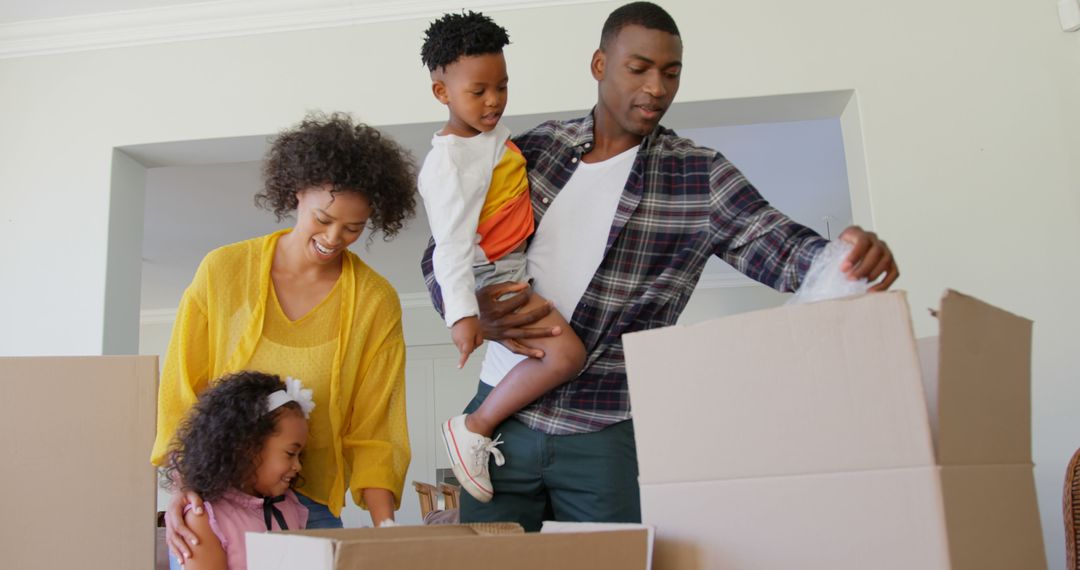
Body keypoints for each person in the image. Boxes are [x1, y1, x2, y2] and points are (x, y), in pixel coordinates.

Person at [421, 1, 899, 532]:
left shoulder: (701, 176)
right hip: (496, 422)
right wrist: (471, 313)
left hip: (603, 431)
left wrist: (842, 257)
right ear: (600, 65)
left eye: (671, 74)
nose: (656, 88)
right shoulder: (533, 150)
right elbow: (445, 247)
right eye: (639, 68)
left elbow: (776, 244)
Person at [152, 112, 416, 565]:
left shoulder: (375, 301)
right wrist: (184, 486)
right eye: (324, 218)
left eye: (353, 228)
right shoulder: (223, 272)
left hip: (310, 509)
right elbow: (182, 393)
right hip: (214, 502)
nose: (335, 238)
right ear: (297, 191)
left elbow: (376, 432)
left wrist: (385, 529)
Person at [417, 11, 586, 503]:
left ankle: (483, 421)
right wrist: (463, 315)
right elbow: (449, 245)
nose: (493, 101)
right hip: (492, 269)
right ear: (441, 93)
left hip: (514, 262)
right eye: (478, 91)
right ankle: (473, 425)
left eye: (502, 86)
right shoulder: (448, 163)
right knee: (567, 353)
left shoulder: (487, 136)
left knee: (547, 351)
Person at [162, 372, 313, 570]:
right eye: (290, 453)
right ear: (247, 447)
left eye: (299, 456)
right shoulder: (205, 520)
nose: (298, 466)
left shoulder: (289, 506)